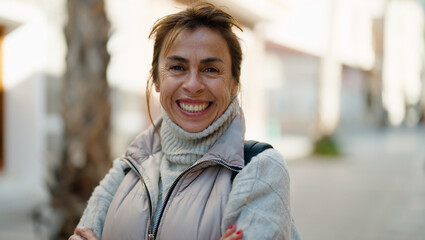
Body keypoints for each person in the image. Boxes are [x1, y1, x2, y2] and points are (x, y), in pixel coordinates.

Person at [69, 2, 301, 240]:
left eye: (210, 69)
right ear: (156, 80)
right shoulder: (129, 167)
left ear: (234, 83)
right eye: (177, 67)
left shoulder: (259, 169)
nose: (192, 85)